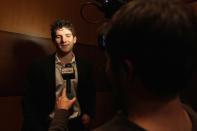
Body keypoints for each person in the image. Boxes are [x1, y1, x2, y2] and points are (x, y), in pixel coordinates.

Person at [49, 0, 197, 131]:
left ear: (126, 70)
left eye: (108, 61)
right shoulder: (191, 116)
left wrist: (60, 116)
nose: (106, 69)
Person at [22, 19, 96, 131]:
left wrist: (88, 113)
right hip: (48, 125)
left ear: (75, 39)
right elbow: (28, 100)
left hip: (77, 124)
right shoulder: (38, 66)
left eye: (67, 35)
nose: (63, 40)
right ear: (53, 40)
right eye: (58, 36)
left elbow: (90, 93)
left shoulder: (86, 66)